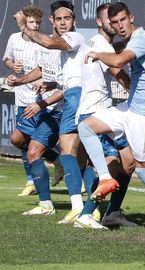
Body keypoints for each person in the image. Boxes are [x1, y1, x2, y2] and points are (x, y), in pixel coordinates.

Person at [78, 2, 145, 232]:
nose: (119, 26)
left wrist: (96, 53)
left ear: (131, 17)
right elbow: (117, 50)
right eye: (114, 22)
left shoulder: (141, 40)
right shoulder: (128, 40)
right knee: (86, 127)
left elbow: (117, 61)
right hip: (130, 108)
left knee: (144, 169)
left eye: (122, 20)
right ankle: (105, 178)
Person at [14, 0, 89, 224]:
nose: (63, 22)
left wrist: (25, 28)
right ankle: (47, 204)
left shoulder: (73, 38)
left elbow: (70, 87)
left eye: (67, 18)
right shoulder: (56, 46)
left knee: (79, 158)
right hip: (57, 107)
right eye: (59, 19)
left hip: (69, 106)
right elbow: (52, 75)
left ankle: (89, 207)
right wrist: (23, 82)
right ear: (52, 20)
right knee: (33, 151)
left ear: (74, 21)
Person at [73, 3, 135, 229]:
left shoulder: (97, 43)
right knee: (112, 165)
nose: (115, 24)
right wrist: (142, 99)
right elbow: (121, 76)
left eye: (118, 19)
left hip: (105, 112)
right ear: (100, 22)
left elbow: (116, 47)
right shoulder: (100, 46)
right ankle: (86, 215)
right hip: (94, 114)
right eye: (109, 20)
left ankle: (113, 213)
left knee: (129, 163)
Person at [2, 5, 52, 197]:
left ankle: (61, 168)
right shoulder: (14, 38)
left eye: (38, 22)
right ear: (24, 22)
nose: (35, 26)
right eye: (31, 22)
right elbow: (7, 59)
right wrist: (12, 65)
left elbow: (45, 69)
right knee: (23, 140)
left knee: (32, 140)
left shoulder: (42, 42)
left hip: (39, 99)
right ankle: (31, 180)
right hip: (21, 96)